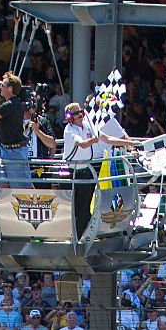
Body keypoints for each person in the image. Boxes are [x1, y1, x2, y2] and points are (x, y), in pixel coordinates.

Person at [63, 101, 135, 237]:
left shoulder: (87, 126)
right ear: (70, 117)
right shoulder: (70, 130)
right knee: (75, 207)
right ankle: (74, 236)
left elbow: (107, 139)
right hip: (74, 173)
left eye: (81, 111)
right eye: (77, 113)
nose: (81, 114)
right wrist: (93, 140)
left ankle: (81, 235)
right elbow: (82, 144)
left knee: (85, 206)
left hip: (86, 172)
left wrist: (129, 142)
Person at [0, 72, 30, 188]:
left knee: (21, 188)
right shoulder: (12, 104)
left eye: (3, 85)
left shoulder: (10, 104)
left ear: (10, 88)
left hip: (13, 152)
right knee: (2, 185)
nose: (0, 88)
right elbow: (0, 120)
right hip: (4, 150)